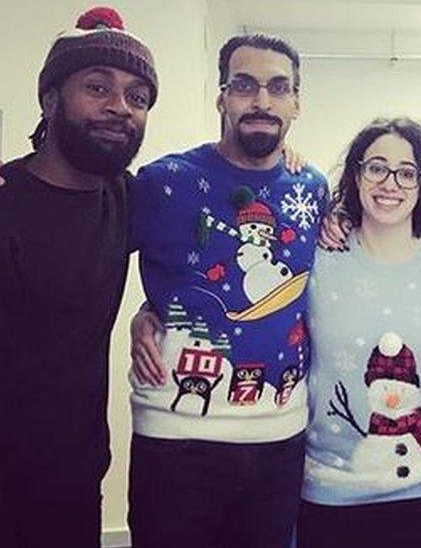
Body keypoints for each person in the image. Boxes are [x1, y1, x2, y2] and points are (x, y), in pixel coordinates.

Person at [124, 34, 327, 548]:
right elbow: (80, 241)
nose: (261, 100)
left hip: (279, 439)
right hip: (175, 441)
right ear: (222, 97)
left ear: (296, 102)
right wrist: (145, 312)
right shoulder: (162, 181)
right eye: (245, 85)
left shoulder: (313, 190)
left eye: (278, 88)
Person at [0, 7, 158, 548]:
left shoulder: (127, 199)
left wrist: (146, 311)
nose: (120, 108)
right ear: (49, 99)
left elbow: (220, 225)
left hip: (73, 476)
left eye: (137, 97)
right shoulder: (0, 201)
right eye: (97, 87)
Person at [296, 117, 421, 547]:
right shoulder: (317, 259)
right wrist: (152, 310)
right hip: (334, 487)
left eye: (407, 172)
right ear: (356, 175)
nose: (390, 183)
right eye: (376, 167)